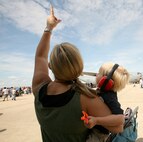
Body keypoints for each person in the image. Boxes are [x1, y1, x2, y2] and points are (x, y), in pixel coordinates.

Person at [32, 5, 124, 142]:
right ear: (79, 67)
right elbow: (118, 127)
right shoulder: (87, 99)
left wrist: (49, 28)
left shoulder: (39, 88)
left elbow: (40, 57)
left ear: (50, 66)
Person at [85, 62, 130, 141]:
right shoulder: (103, 91)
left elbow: (120, 119)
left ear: (105, 80)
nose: (96, 75)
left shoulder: (109, 96)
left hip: (99, 134)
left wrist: (96, 120)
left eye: (99, 73)